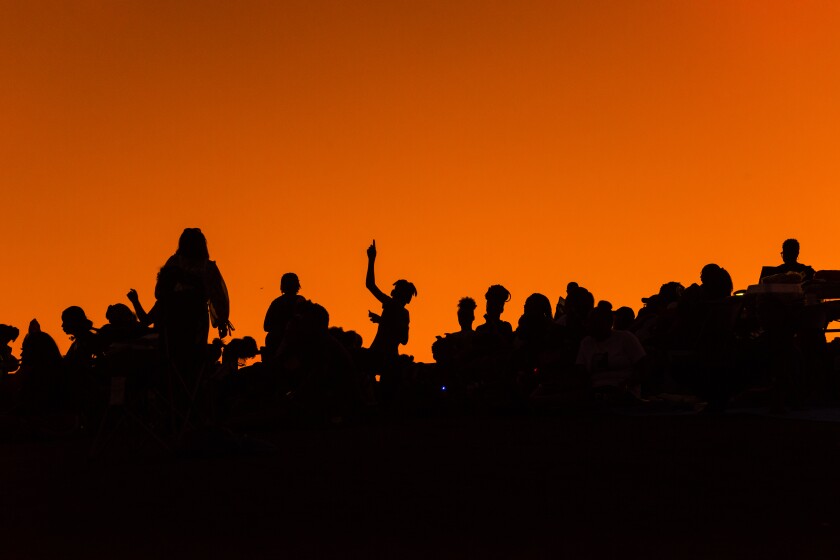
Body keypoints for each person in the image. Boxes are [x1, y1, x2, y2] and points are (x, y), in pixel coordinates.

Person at [154, 228, 232, 385]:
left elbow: (160, 292)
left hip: (178, 316)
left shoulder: (176, 263)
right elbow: (218, 296)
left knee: (177, 355)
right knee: (190, 355)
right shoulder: (205, 267)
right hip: (187, 316)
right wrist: (222, 320)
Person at [365, 239, 416, 362]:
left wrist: (371, 260)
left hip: (384, 354)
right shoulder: (398, 309)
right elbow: (370, 285)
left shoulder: (396, 308)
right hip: (386, 354)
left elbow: (403, 339)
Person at [263, 272, 307, 360]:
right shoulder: (300, 300)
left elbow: (266, 326)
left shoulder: (276, 302)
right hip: (293, 346)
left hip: (274, 343)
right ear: (297, 285)